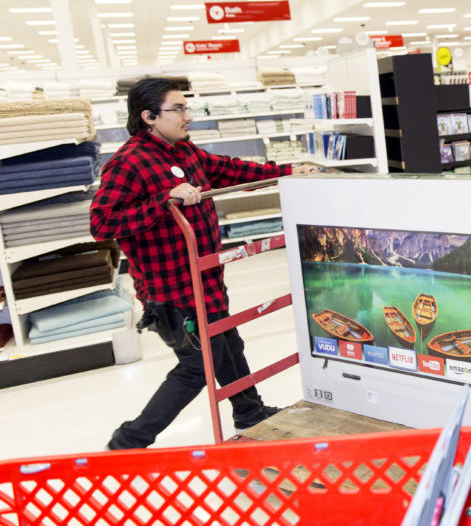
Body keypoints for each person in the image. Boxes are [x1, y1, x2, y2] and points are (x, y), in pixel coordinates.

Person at [90, 77, 316, 449]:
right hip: (172, 292)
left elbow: (231, 170)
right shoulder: (128, 162)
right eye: (178, 109)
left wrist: (290, 172)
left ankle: (249, 412)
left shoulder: (185, 152)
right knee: (196, 368)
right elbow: (101, 223)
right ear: (149, 116)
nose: (188, 116)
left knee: (229, 345)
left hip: (206, 281)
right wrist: (164, 200)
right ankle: (128, 442)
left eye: (186, 107)